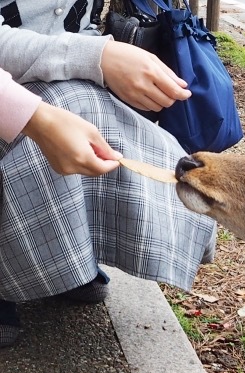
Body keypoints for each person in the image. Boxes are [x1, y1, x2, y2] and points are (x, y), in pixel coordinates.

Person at [0, 2, 217, 348]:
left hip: (48, 78)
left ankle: (67, 258)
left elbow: (75, 27)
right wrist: (97, 56)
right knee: (58, 119)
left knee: (114, 130)